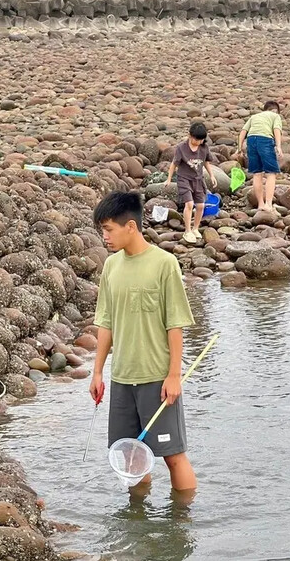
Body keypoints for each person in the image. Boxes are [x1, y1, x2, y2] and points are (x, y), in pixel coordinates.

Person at [90, 192, 197, 492]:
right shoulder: (111, 267)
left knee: (173, 456)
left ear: (131, 227)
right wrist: (97, 372)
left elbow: (175, 324)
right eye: (103, 230)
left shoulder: (164, 264)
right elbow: (106, 323)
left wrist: (174, 375)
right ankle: (139, 523)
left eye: (109, 229)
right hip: (123, 378)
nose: (105, 237)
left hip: (157, 379)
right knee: (130, 457)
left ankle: (183, 525)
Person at [165, 122, 217, 244]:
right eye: (195, 140)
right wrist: (168, 179)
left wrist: (212, 175)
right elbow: (174, 164)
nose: (198, 142)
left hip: (198, 179)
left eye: (201, 140)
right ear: (189, 135)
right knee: (189, 204)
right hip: (184, 179)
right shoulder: (181, 148)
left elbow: (206, 162)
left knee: (200, 206)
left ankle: (195, 229)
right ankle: (187, 230)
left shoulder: (204, 147)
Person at [237, 101, 284, 213]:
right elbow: (276, 130)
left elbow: (243, 131)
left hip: (251, 140)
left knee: (257, 173)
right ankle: (268, 204)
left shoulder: (254, 116)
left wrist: (239, 148)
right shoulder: (275, 116)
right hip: (265, 140)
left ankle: (260, 204)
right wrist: (278, 146)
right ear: (276, 111)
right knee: (271, 173)